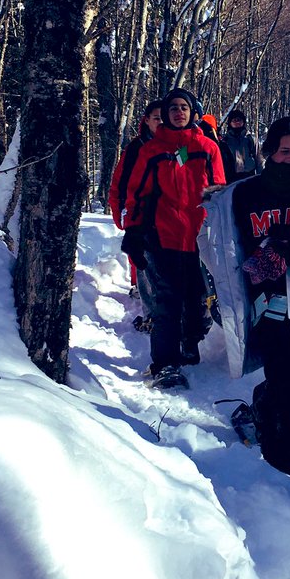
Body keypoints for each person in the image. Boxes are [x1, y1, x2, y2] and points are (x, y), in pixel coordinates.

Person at [199, 117, 290, 479]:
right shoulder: (243, 194)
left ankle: (262, 405)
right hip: (265, 306)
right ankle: (287, 484)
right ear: (269, 152)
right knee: (286, 394)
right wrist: (230, 276)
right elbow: (210, 242)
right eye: (284, 151)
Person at [121, 87, 226, 389]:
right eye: (173, 108)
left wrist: (221, 230)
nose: (178, 112)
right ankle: (165, 364)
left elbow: (220, 191)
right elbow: (136, 194)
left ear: (193, 113)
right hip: (162, 236)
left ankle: (190, 343)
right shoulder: (152, 150)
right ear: (165, 115)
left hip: (200, 238)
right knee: (167, 301)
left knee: (197, 298)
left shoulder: (208, 148)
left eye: (184, 107)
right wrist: (133, 231)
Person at [108, 99, 164, 296]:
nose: (161, 123)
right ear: (147, 120)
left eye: (164, 118)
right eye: (156, 118)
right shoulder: (136, 147)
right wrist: (120, 210)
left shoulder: (177, 145)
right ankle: (143, 294)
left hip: (169, 212)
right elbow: (120, 182)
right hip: (141, 210)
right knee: (141, 253)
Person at [219, 108, 261, 183]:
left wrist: (262, 178)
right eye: (234, 120)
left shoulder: (250, 139)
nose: (237, 122)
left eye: (239, 120)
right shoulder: (225, 142)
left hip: (250, 177)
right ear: (230, 123)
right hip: (232, 178)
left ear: (243, 122)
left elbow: (260, 160)